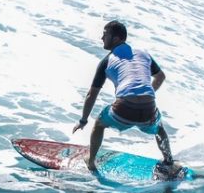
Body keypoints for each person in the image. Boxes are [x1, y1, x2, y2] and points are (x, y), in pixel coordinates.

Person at [72, 20, 174, 173]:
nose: (102, 38)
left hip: (123, 110)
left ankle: (91, 162)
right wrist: (145, 95)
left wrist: (83, 120)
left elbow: (91, 94)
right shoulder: (144, 54)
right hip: (148, 110)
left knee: (99, 123)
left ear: (116, 38)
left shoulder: (107, 61)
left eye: (105, 35)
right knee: (159, 128)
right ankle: (169, 162)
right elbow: (160, 77)